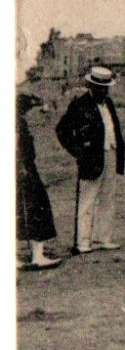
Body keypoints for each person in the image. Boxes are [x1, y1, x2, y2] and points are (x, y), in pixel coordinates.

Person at [54, 66, 125, 255]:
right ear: (91, 86)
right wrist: (78, 151)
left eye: (106, 88)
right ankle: (83, 241)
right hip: (91, 157)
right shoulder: (80, 104)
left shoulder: (108, 103)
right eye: (99, 87)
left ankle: (103, 238)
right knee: (87, 200)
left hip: (110, 153)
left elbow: (114, 129)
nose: (103, 91)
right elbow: (62, 129)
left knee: (108, 199)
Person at [17, 93, 61, 270]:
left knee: (18, 211)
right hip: (24, 170)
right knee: (36, 208)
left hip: (19, 169)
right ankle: (37, 255)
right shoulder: (17, 123)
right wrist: (22, 168)